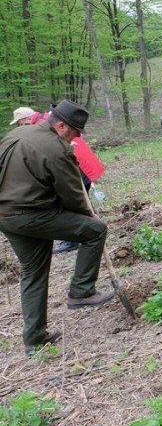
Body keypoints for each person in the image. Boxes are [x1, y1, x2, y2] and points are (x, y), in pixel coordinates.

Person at [0, 100, 114, 354]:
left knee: (33, 271)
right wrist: (89, 216)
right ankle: (81, 291)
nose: (75, 138)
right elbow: (72, 195)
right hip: (33, 214)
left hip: (5, 216)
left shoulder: (15, 134)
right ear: (61, 125)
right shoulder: (56, 149)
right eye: (74, 131)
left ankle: (34, 337)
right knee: (96, 231)